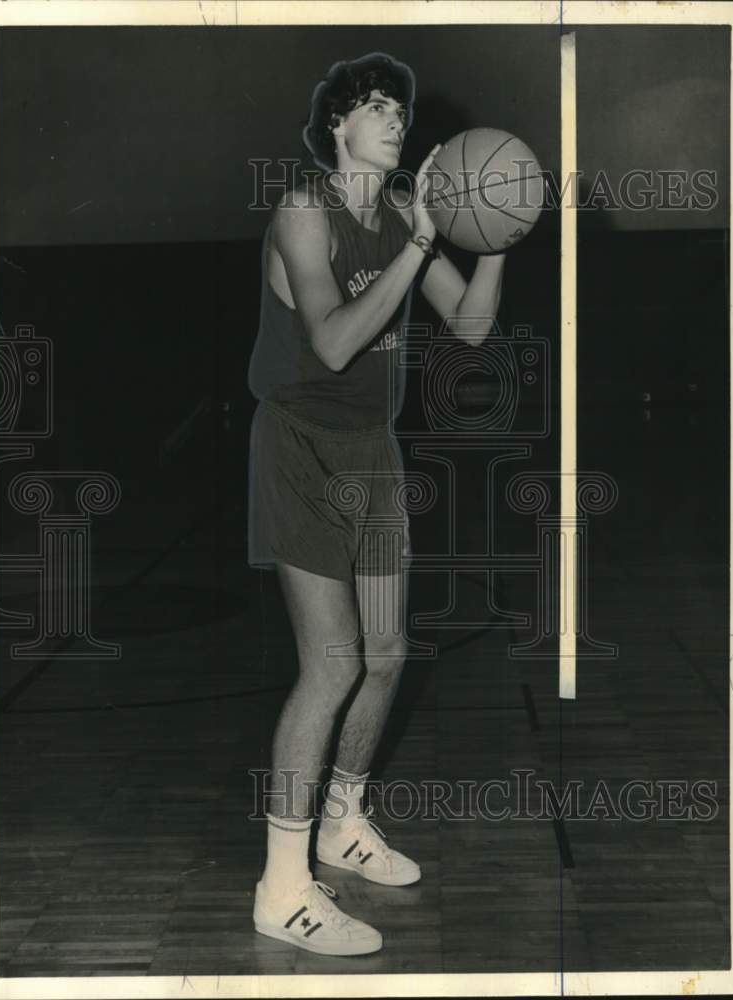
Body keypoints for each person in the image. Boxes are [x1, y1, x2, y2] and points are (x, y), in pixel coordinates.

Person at [247, 52, 505, 956]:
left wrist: (495, 236)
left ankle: (341, 822)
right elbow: (331, 346)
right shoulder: (302, 211)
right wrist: (426, 243)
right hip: (300, 450)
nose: (396, 120)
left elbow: (469, 328)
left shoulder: (401, 214)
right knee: (332, 663)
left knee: (388, 654)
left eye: (400, 108)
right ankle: (281, 887)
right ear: (336, 130)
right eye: (374, 108)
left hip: (374, 459)